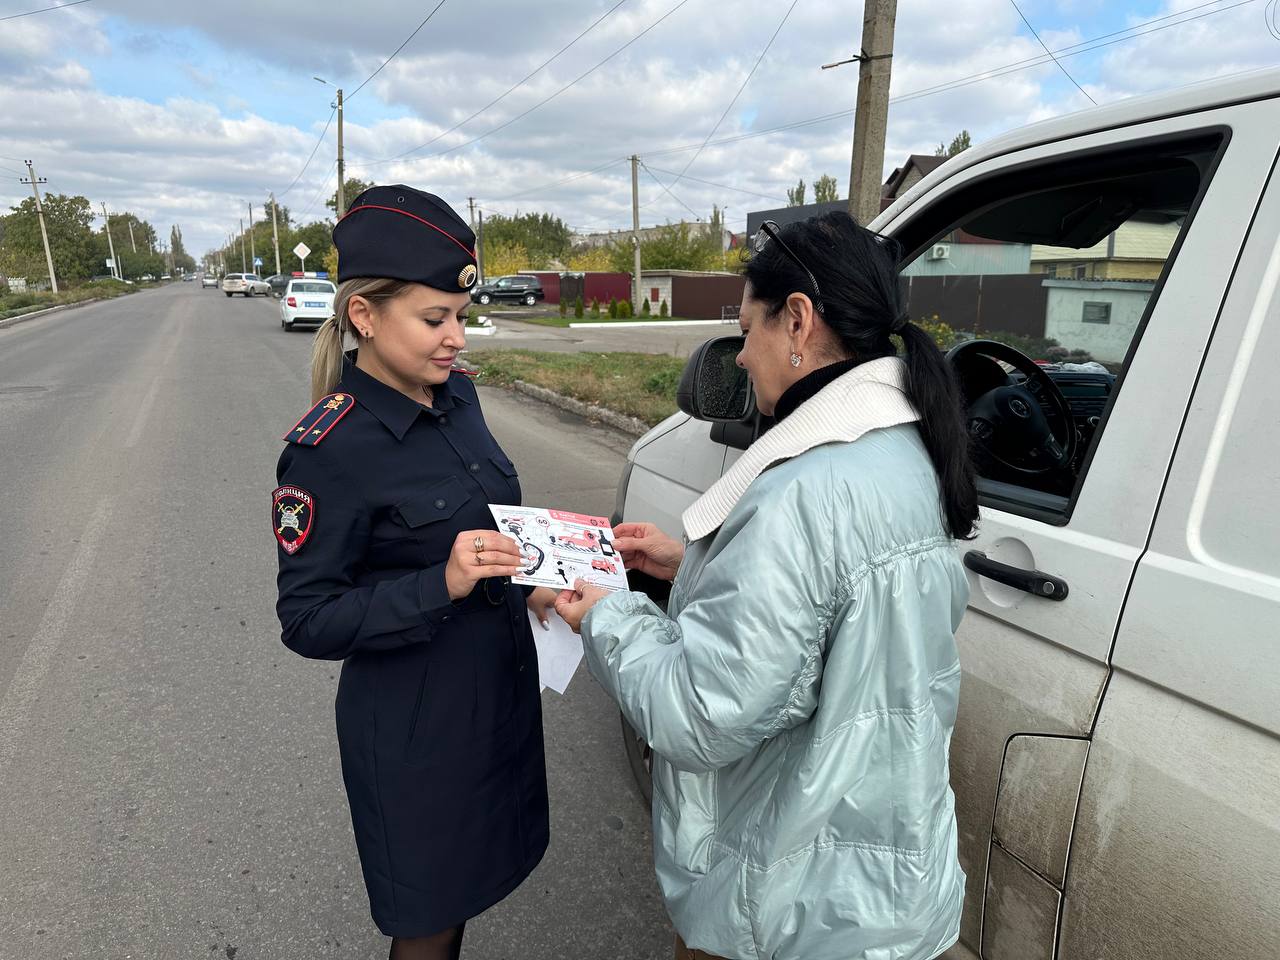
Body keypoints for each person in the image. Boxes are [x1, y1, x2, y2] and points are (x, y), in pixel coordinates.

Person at [556, 212, 978, 960]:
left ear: (798, 321)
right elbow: (836, 614)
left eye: (748, 328)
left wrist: (604, 609)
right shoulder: (904, 449)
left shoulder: (802, 490)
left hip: (790, 906)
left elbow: (700, 710)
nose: (742, 356)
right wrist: (697, 568)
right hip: (885, 886)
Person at [272, 185, 558, 960]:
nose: (456, 339)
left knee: (464, 898)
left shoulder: (458, 399)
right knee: (426, 925)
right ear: (364, 316)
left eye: (460, 317)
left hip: (493, 703)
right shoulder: (328, 449)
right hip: (414, 733)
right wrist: (443, 583)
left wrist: (539, 574)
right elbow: (307, 619)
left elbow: (489, 521)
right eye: (435, 319)